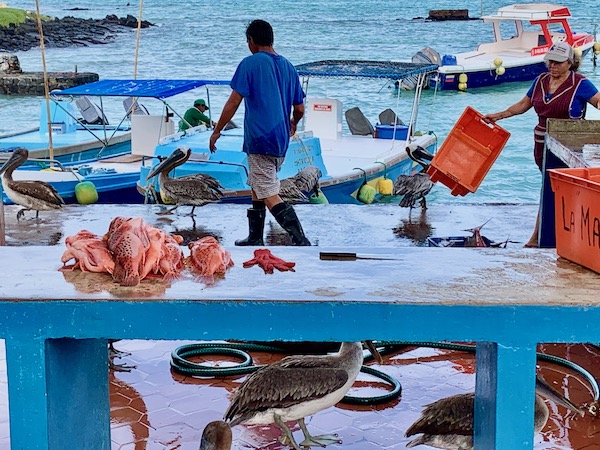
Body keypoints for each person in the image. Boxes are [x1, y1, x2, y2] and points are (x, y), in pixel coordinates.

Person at [484, 42, 600, 248]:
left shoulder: (581, 83)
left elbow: (597, 101)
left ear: (570, 63)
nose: (552, 66)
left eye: (557, 62)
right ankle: (546, 236)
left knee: (555, 187)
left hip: (568, 147)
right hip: (541, 143)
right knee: (549, 187)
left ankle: (540, 237)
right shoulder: (540, 81)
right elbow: (522, 105)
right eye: (550, 61)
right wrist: (498, 116)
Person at [209, 19, 310, 246]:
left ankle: (300, 237)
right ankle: (255, 236)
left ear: (251, 41)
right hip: (280, 139)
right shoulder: (288, 66)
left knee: (267, 190)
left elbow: (234, 101)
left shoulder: (250, 64)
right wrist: (293, 123)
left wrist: (217, 131)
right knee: (258, 183)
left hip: (260, 138)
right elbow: (300, 108)